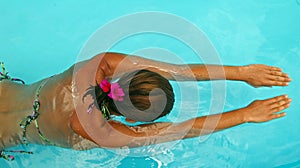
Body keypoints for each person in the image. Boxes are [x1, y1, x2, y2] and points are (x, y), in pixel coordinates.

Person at [0, 52, 292, 160]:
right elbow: (182, 131)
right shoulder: (105, 133)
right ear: (129, 120)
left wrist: (242, 72)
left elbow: (177, 70)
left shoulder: (98, 65)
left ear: (127, 74)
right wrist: (245, 114)